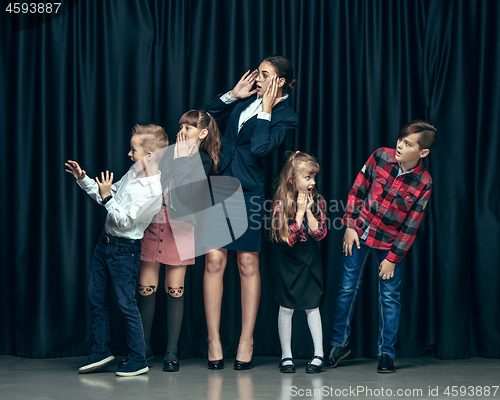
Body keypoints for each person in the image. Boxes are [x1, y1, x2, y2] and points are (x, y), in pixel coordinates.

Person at [202, 55, 299, 370]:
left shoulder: (285, 115)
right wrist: (233, 96)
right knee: (215, 260)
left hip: (248, 192)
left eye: (265, 74)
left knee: (246, 263)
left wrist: (267, 111)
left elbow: (259, 149)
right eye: (257, 72)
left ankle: (247, 340)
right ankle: (213, 339)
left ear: (280, 82)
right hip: (219, 185)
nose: (257, 78)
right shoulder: (243, 103)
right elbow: (203, 119)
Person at [326, 120, 437, 373]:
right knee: (346, 288)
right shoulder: (380, 156)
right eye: (401, 139)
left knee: (389, 298)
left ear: (423, 153)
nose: (400, 144)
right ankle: (338, 345)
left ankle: (386, 353)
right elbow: (357, 190)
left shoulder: (424, 183)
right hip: (359, 233)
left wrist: (393, 258)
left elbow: (412, 225)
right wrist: (350, 226)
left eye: (408, 143)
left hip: (389, 245)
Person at [65, 124, 169, 377]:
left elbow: (127, 220)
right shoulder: (133, 173)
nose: (129, 154)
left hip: (125, 251)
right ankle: (101, 349)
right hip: (105, 245)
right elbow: (108, 194)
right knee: (96, 298)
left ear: (150, 155)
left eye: (134, 150)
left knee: (126, 304)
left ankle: (138, 358)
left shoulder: (154, 192)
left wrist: (107, 198)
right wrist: (83, 179)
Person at [132, 110, 220, 373]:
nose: (182, 131)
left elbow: (187, 199)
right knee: (146, 287)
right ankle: (143, 350)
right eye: (181, 126)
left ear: (202, 134)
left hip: (180, 231)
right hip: (153, 226)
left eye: (189, 128)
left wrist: (183, 163)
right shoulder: (166, 153)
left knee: (174, 289)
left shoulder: (203, 161)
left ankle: (172, 352)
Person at [270, 151, 327, 374]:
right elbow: (287, 238)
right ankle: (286, 356)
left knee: (312, 307)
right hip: (287, 262)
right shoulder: (280, 203)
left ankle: (318, 354)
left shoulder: (318, 200)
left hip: (309, 262)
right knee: (286, 308)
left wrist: (310, 211)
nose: (312, 182)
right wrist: (300, 212)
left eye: (314, 177)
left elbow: (320, 233)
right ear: (292, 179)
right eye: (307, 177)